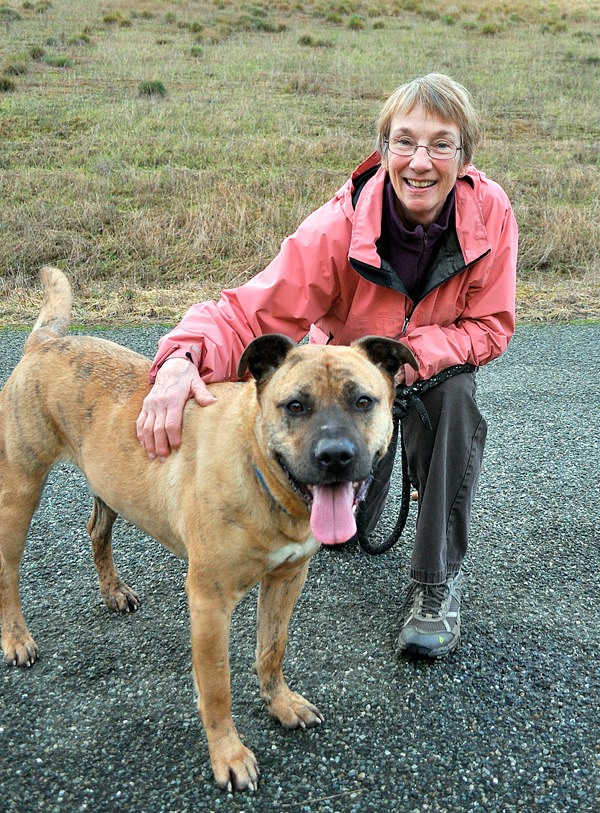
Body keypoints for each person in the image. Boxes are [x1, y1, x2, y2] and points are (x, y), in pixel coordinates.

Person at [136, 73, 518, 659]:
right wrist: (183, 356)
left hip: (427, 371)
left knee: (458, 404)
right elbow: (250, 310)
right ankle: (361, 484)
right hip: (344, 385)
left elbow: (491, 326)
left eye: (442, 144)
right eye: (404, 141)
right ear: (383, 147)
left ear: (465, 155)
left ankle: (435, 584)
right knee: (342, 528)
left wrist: (403, 358)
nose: (421, 161)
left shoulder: (490, 212)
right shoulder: (339, 226)